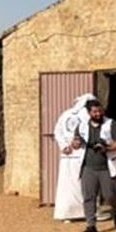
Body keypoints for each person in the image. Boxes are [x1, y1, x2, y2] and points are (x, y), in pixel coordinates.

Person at [79, 98, 116, 232]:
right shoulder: (82, 126)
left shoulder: (112, 124)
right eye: (95, 112)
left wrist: (108, 148)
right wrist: (75, 143)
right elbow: (77, 140)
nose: (98, 114)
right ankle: (91, 225)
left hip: (107, 167)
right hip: (88, 167)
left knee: (109, 195)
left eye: (100, 111)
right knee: (88, 196)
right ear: (89, 112)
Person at [51, 93, 94, 222]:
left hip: (67, 155)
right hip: (80, 155)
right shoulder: (86, 116)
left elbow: (58, 132)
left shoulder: (65, 115)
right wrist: (76, 143)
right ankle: (83, 212)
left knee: (67, 185)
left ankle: (66, 214)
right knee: (82, 184)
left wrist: (64, 146)